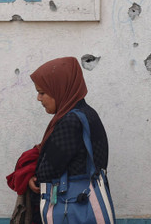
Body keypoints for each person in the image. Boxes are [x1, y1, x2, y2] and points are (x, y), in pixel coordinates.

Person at [28, 56, 110, 222]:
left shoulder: (69, 121)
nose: (39, 98)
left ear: (60, 89)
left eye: (42, 92)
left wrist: (33, 177)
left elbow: (46, 172)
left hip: (71, 208)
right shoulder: (88, 114)